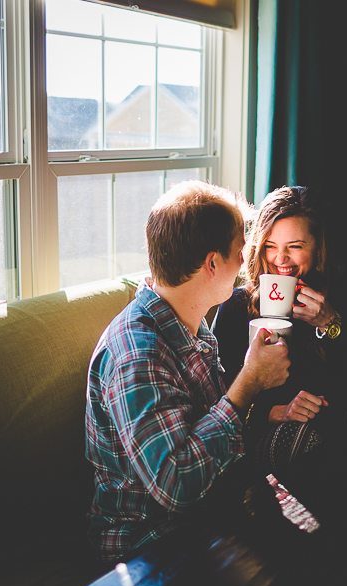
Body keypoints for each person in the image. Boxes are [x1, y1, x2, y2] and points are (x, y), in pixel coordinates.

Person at [84, 181, 291, 563]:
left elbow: (206, 428)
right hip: (150, 543)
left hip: (209, 513)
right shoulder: (137, 355)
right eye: (239, 251)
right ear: (212, 264)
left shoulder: (189, 325)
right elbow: (174, 483)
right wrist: (249, 382)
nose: (244, 260)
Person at [211, 186, 347, 474]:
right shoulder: (235, 305)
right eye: (270, 246)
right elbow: (216, 390)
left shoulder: (338, 299)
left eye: (295, 246)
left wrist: (330, 324)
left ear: (318, 247)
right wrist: (273, 413)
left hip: (325, 428)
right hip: (259, 433)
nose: (280, 259)